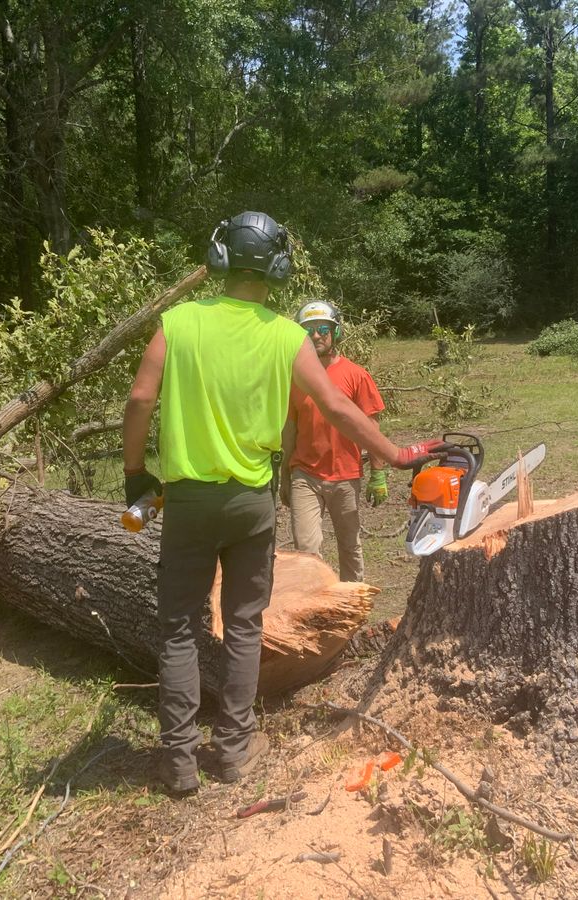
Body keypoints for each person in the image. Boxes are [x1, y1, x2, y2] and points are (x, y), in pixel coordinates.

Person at [122, 211, 441, 795]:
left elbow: (141, 399)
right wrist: (393, 455)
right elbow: (340, 409)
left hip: (188, 499)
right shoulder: (287, 336)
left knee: (177, 629)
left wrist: (135, 472)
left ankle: (177, 760)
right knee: (244, 625)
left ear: (219, 258)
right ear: (278, 268)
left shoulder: (178, 322)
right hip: (251, 501)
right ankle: (236, 750)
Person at [281, 300, 386, 582]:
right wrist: (284, 476)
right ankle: (315, 606)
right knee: (306, 551)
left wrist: (378, 473)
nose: (316, 335)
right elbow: (289, 428)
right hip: (305, 473)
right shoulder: (295, 376)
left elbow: (371, 427)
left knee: (349, 546)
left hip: (345, 474)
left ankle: (354, 602)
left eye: (323, 328)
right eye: (308, 330)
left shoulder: (356, 375)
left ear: (335, 332)